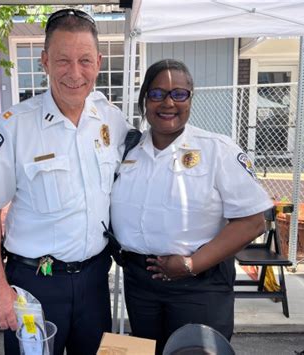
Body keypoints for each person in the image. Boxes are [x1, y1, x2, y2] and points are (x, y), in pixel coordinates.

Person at [0, 8, 128, 355]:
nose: (75, 73)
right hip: (35, 287)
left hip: (96, 282)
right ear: (44, 61)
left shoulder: (111, 120)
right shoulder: (13, 127)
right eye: (62, 60)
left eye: (85, 60)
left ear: (98, 62)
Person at [110, 59, 273, 354]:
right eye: (157, 94)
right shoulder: (128, 149)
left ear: (190, 99)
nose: (168, 102)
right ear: (144, 100)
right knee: (148, 351)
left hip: (199, 284)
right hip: (140, 283)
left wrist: (191, 265)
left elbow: (253, 221)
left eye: (179, 94)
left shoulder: (217, 150)